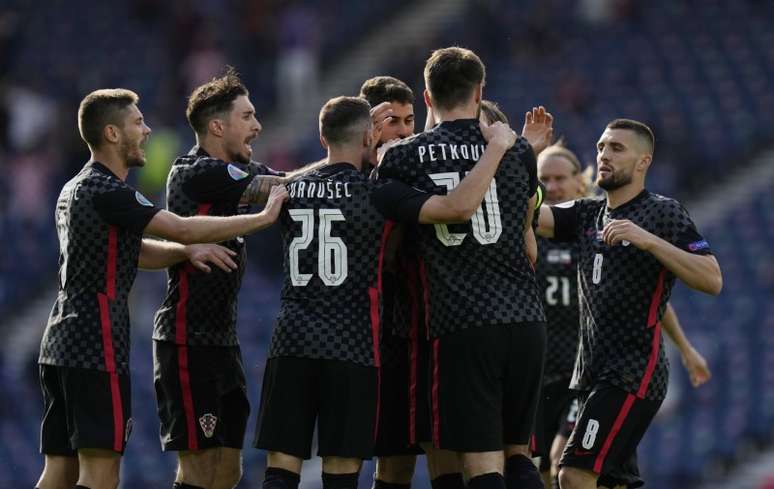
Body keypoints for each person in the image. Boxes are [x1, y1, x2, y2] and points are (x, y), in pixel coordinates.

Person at [254, 94, 521, 489]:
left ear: (323, 137)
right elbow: (451, 208)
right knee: (341, 475)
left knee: (279, 471)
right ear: (369, 137)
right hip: (352, 344)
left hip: (291, 338)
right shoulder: (378, 193)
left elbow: (258, 189)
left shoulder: (290, 189)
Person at [35, 88, 287, 489]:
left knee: (59, 471)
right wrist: (261, 218)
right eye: (138, 122)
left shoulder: (74, 189)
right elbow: (181, 225)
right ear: (113, 134)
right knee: (101, 474)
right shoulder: (109, 191)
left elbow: (133, 252)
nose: (148, 129)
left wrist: (184, 252)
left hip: (61, 342)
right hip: (94, 344)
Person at [373, 47, 547, 489]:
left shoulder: (403, 158)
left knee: (481, 464)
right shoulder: (518, 151)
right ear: (480, 91)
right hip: (527, 319)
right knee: (520, 456)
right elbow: (529, 240)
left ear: (426, 99)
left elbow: (391, 247)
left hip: (463, 324)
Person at [534, 119, 722, 489]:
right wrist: (526, 154)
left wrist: (649, 241)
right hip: (589, 374)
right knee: (608, 483)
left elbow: (712, 278)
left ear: (643, 162)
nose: (604, 154)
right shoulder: (588, 214)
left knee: (571, 473)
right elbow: (528, 214)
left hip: (632, 371)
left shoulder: (662, 213)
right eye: (602, 146)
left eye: (617, 148)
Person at [151, 68, 291, 489]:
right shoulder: (192, 172)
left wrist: (337, 167)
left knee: (228, 471)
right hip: (186, 338)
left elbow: (288, 183)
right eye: (247, 116)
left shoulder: (234, 174)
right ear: (217, 126)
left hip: (222, 341)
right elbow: (279, 188)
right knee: (198, 470)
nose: (257, 125)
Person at [360, 75, 465, 489]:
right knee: (394, 462)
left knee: (447, 451)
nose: (404, 131)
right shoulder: (350, 182)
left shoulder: (424, 173)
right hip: (379, 339)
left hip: (433, 331)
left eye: (409, 119)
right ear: (368, 126)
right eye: (393, 121)